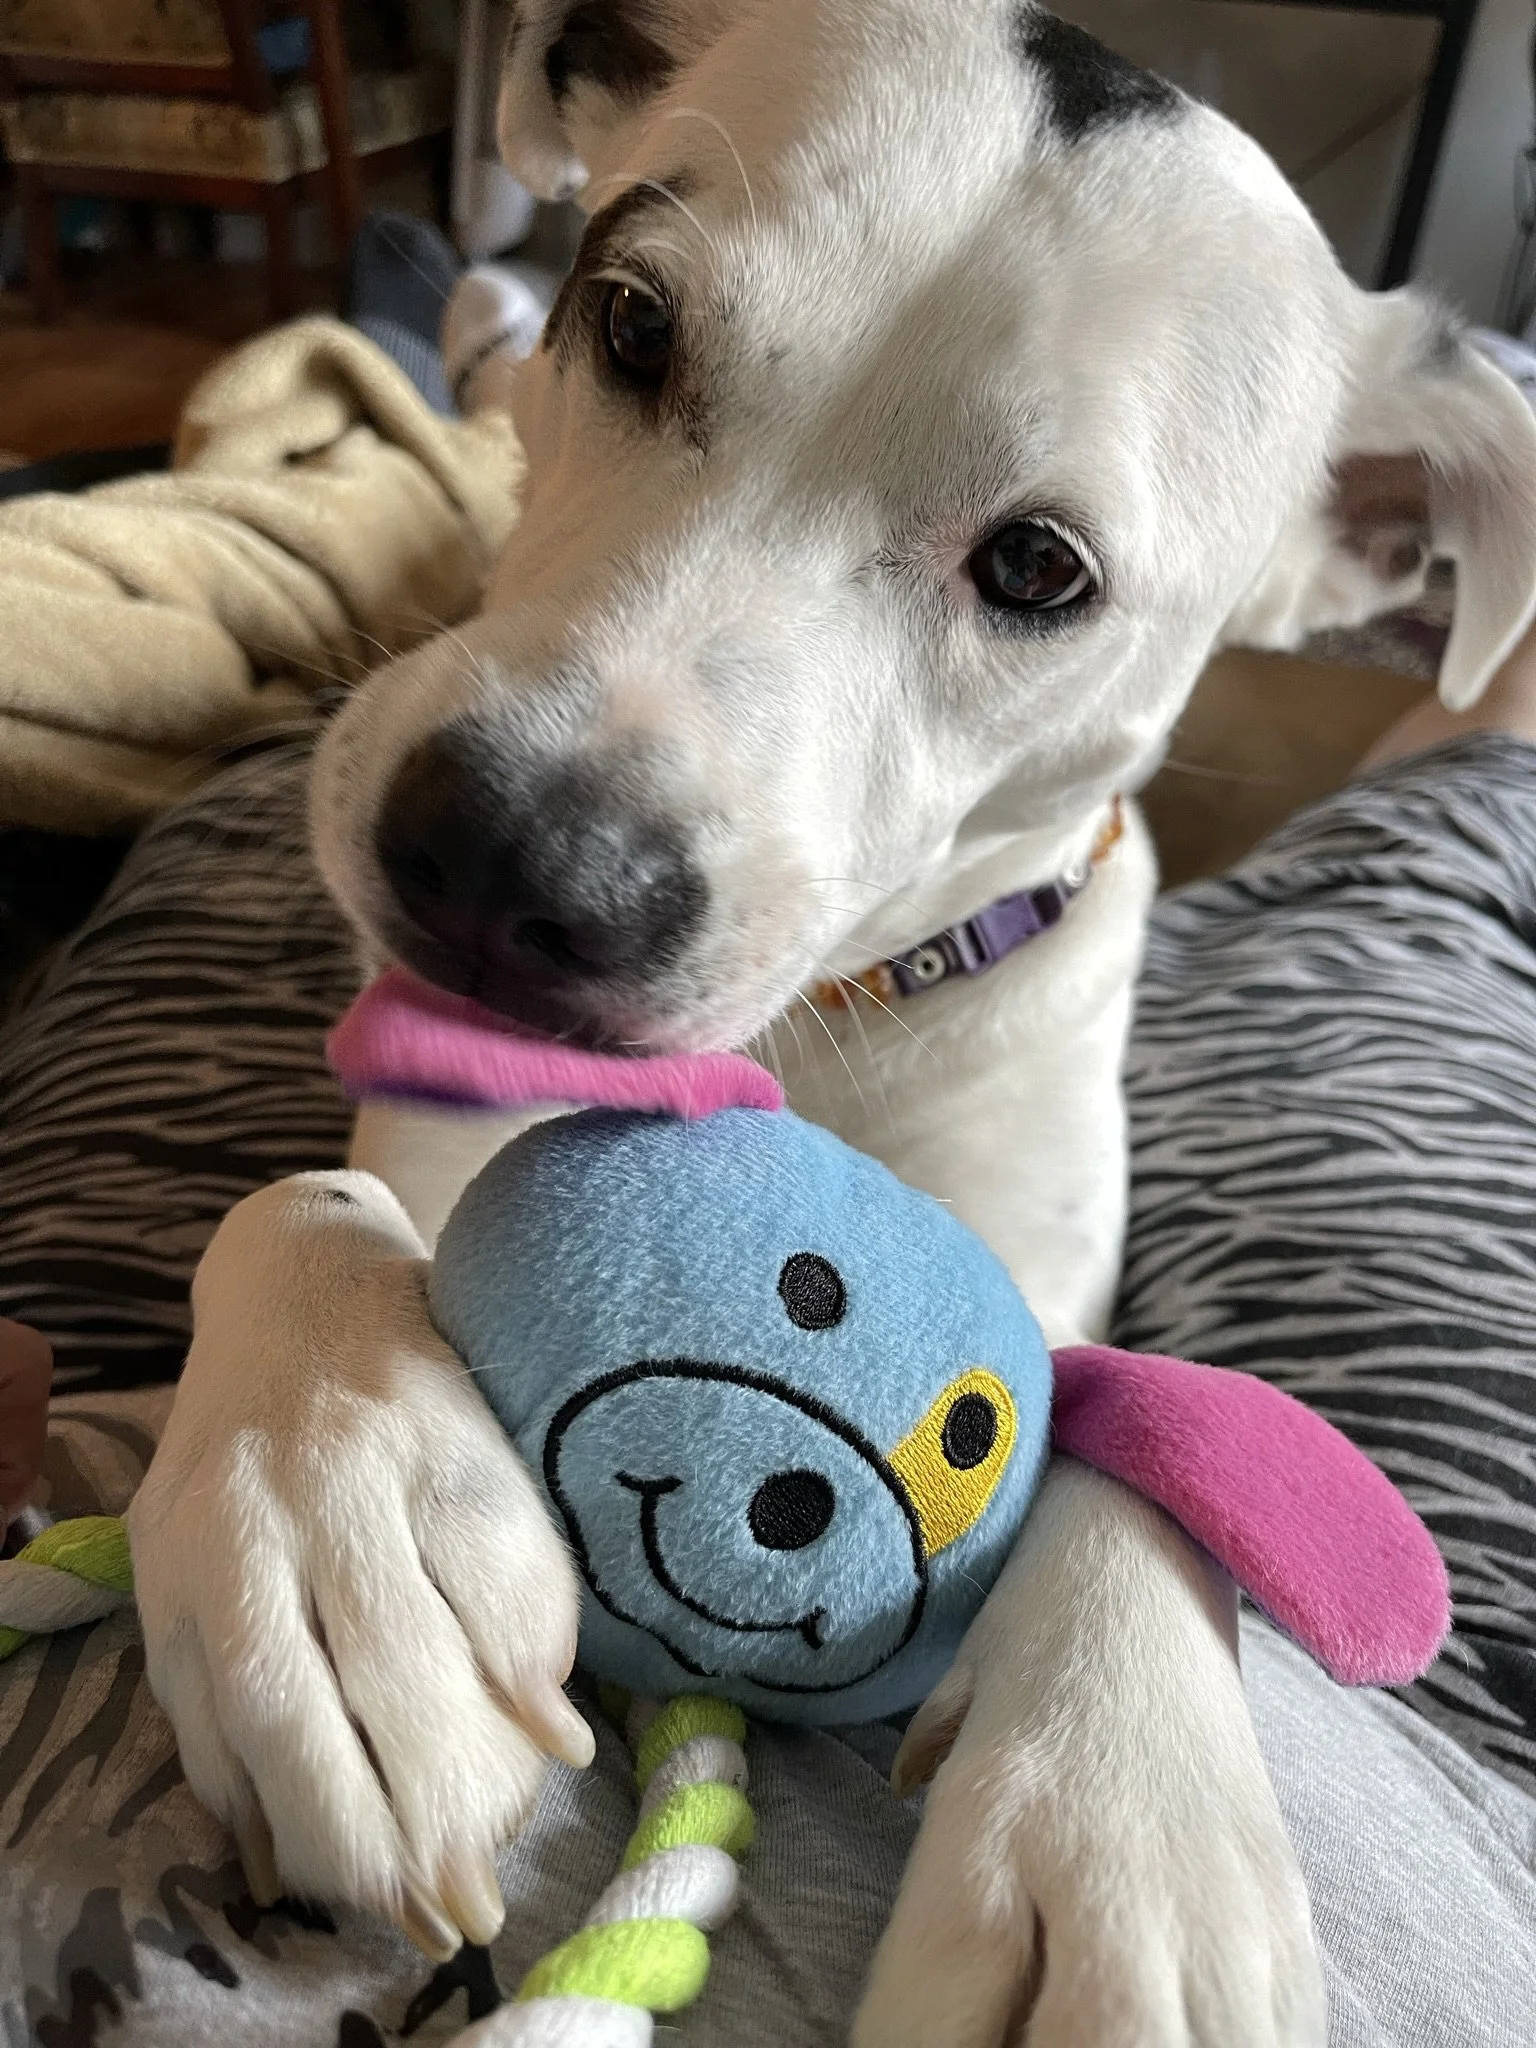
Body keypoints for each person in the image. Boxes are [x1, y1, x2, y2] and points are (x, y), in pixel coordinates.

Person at [0, 219, 1532, 2045]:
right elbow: (1007, 1413)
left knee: (1410, 852)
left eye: (1032, 565)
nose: (544, 816)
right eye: (645, 338)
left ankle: (458, 317)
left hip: (1037, 940)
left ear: (1351, 535)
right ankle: (476, 335)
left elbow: (1043, 1389)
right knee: (1413, 897)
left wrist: (1134, 1597)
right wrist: (297, 1280)